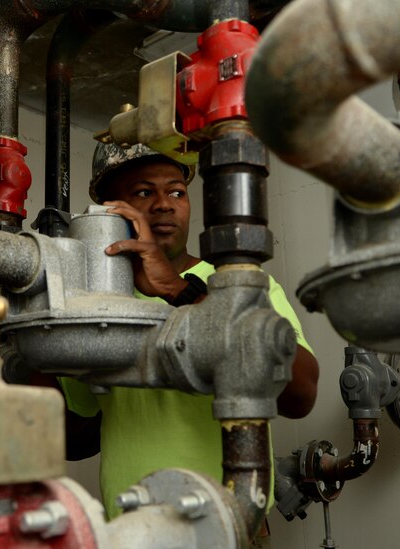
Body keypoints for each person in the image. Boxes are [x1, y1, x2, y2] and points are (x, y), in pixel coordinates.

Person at [60, 143, 320, 527]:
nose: (165, 204)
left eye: (177, 191)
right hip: (132, 530)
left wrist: (177, 290)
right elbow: (74, 435)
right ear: (111, 209)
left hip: (234, 522)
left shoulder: (241, 286)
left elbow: (301, 393)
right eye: (144, 192)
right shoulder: (95, 302)